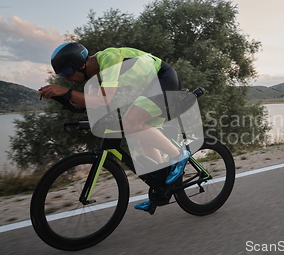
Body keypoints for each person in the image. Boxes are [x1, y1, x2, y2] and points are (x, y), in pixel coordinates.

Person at [39, 42, 190, 212]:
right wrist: (62, 98)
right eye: (61, 76)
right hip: (149, 89)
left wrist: (64, 92)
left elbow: (102, 100)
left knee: (131, 123)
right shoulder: (95, 78)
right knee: (141, 138)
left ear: (81, 64)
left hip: (164, 80)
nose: (66, 79)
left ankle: (179, 155)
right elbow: (94, 104)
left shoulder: (108, 58)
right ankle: (161, 188)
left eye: (67, 72)